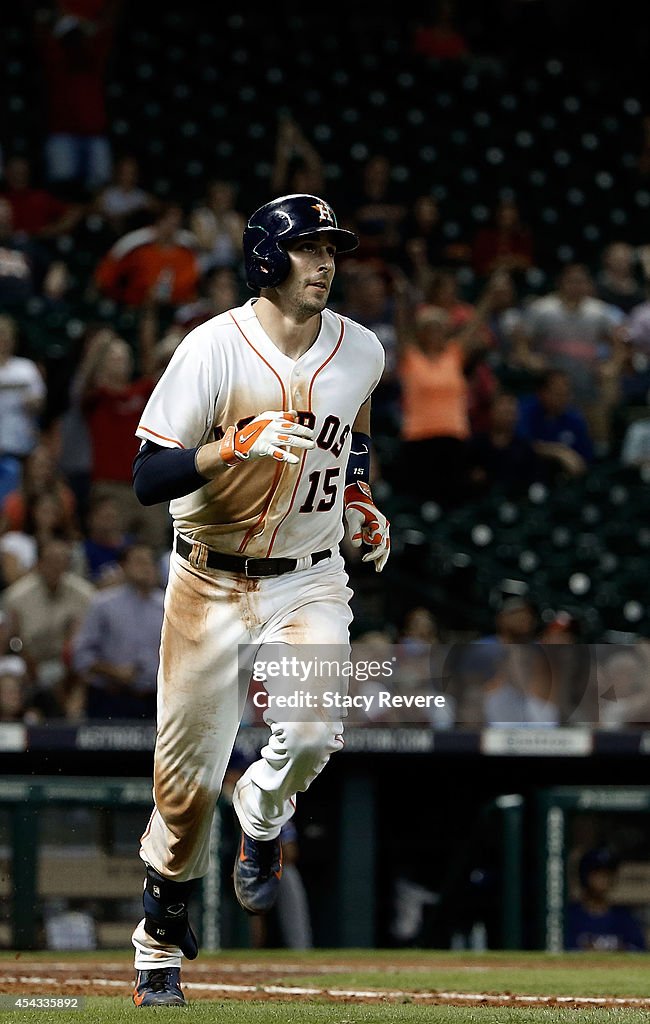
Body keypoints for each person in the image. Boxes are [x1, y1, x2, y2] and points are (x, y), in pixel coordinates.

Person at [128, 193, 390, 1006]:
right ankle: (159, 931)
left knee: (312, 730)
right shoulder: (213, 349)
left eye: (331, 249)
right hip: (207, 574)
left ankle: (263, 807)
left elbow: (355, 443)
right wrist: (231, 445)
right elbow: (147, 478)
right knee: (184, 790)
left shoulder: (363, 351)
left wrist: (360, 502)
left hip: (309, 573)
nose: (324, 263)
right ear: (267, 259)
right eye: (308, 249)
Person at [71, 542, 163, 719]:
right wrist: (112, 671)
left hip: (156, 701)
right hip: (111, 699)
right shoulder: (103, 604)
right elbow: (81, 655)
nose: (146, 567)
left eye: (149, 562)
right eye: (139, 561)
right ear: (123, 566)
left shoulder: (169, 606)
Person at [566, 845, 646, 951]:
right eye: (598, 873)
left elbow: (640, 951)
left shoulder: (623, 917)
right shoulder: (569, 917)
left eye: (608, 873)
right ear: (585, 875)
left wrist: (621, 950)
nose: (604, 879)